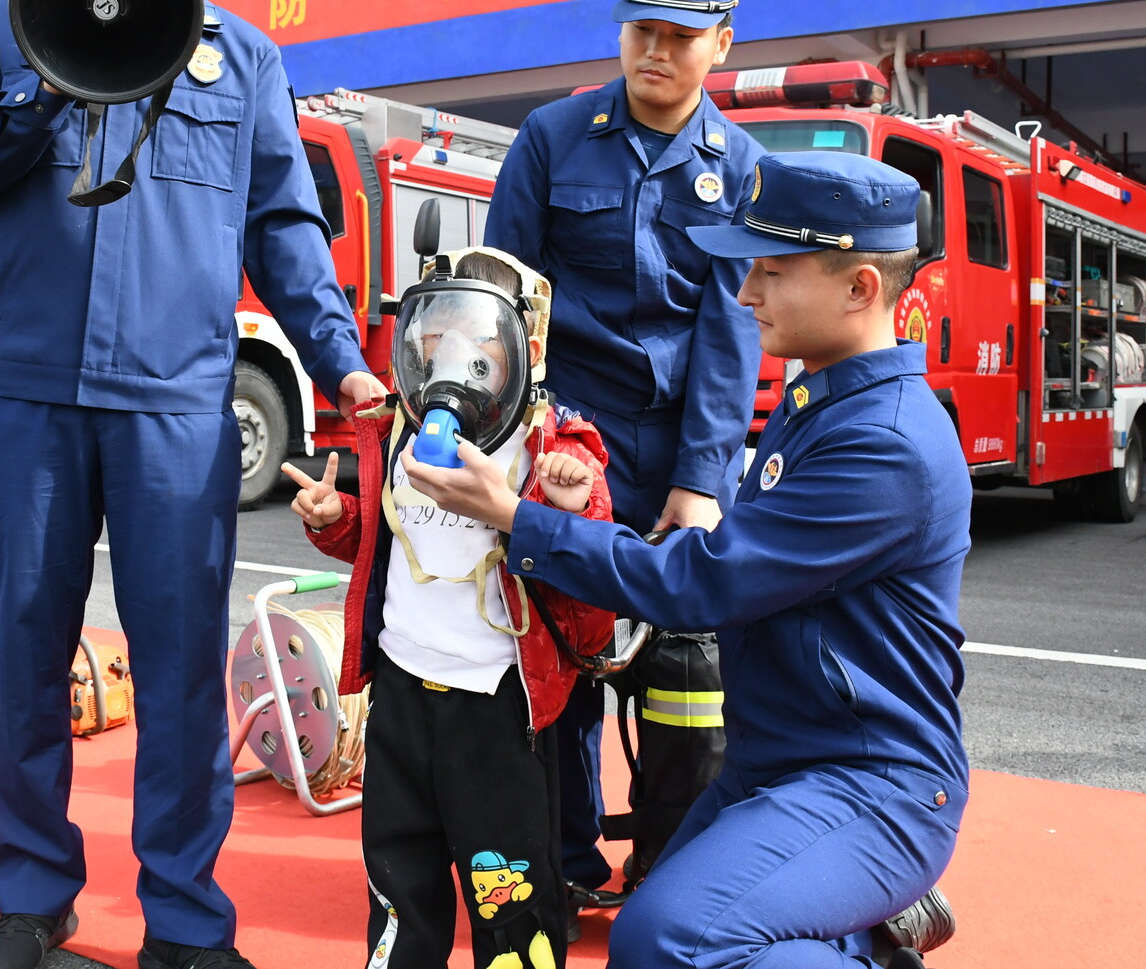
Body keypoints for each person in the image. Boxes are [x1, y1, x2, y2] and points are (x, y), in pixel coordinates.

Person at [0, 0, 385, 969]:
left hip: (177, 402)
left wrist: (342, 360)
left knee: (176, 664)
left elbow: (282, 225)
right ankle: (31, 892)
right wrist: (49, 83)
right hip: (32, 390)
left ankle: (184, 916)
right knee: (25, 648)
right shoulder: (1, 27)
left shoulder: (244, 57)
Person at [403, 151, 968, 968]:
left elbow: (706, 581)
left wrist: (516, 519)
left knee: (669, 941)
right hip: (786, 763)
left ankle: (863, 930)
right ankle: (863, 921)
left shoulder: (882, 447)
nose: (745, 295)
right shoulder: (829, 397)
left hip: (869, 782)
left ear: (860, 289)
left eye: (771, 273)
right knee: (662, 929)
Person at [482, 0, 764, 911]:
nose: (657, 49)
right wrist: (516, 452)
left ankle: (666, 864)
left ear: (720, 43)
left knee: (687, 681)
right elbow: (503, 306)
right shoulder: (552, 138)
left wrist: (701, 484)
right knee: (550, 668)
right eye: (644, 28)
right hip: (561, 454)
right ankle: (561, 858)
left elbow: (732, 336)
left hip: (672, 461)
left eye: (682, 35)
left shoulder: (744, 171)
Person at [281, 248, 616, 969]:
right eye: (441, 328)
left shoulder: (552, 446)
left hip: (495, 708)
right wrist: (329, 515)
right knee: (399, 876)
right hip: (401, 696)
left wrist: (569, 505)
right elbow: (382, 541)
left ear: (525, 346)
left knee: (511, 890)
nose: (454, 351)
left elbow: (588, 590)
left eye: (479, 333)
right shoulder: (397, 430)